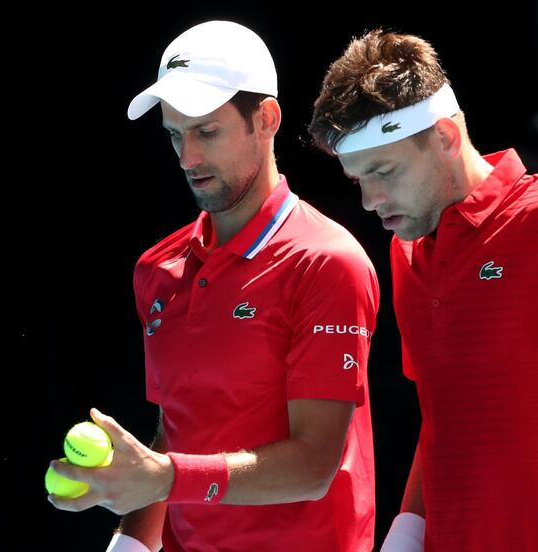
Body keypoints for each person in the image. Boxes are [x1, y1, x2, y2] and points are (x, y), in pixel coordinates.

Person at [309, 29, 538, 551]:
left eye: (384, 171)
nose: (371, 199)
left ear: (444, 136)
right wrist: (408, 530)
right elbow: (443, 417)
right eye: (358, 180)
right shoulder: (408, 252)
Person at [48, 21, 379, 552]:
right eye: (175, 134)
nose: (187, 158)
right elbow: (177, 430)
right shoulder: (156, 269)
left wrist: (164, 476)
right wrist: (130, 543)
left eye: (207, 132)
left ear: (266, 120)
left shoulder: (327, 262)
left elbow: (316, 466)